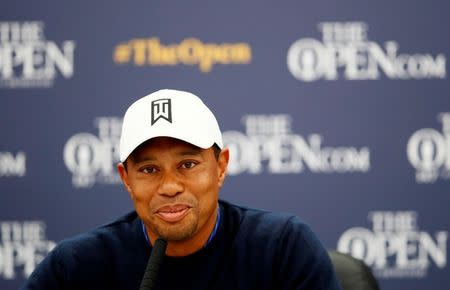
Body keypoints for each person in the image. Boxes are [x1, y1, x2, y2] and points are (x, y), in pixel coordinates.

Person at [22, 89, 343, 290]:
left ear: (220, 167)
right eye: (149, 170)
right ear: (126, 178)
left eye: (188, 164)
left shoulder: (282, 248)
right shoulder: (77, 266)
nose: (171, 186)